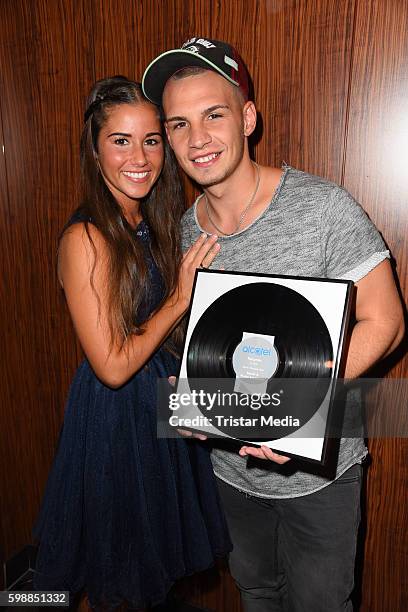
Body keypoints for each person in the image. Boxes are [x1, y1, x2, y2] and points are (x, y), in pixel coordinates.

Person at [142, 39, 405, 612]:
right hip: (231, 475)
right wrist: (190, 403)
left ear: (247, 117)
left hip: (320, 478)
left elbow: (386, 322)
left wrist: (302, 408)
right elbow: (210, 348)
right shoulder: (186, 230)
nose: (197, 139)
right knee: (257, 593)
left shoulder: (324, 207)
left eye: (214, 114)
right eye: (179, 124)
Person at [32, 76, 232, 610]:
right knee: (122, 576)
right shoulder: (86, 238)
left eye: (151, 139)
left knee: (160, 579)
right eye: (120, 140)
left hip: (160, 407)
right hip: (116, 423)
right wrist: (180, 298)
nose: (139, 156)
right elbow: (114, 367)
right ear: (95, 150)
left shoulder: (151, 222)